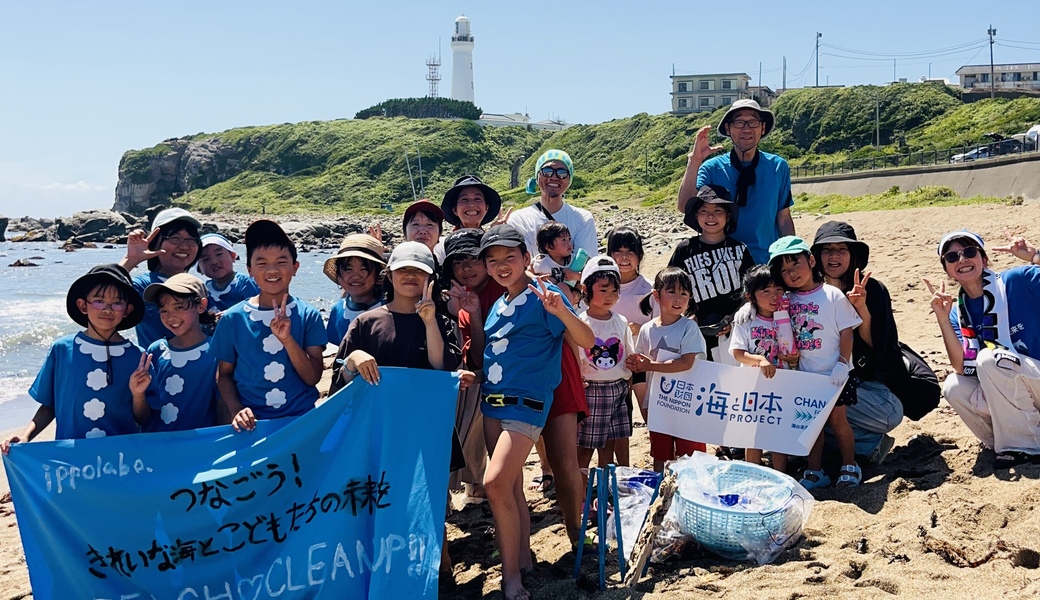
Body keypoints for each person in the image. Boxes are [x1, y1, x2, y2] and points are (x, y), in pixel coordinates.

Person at [329, 240, 471, 584]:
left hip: (426, 432)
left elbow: (441, 370)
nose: (411, 276)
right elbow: (338, 383)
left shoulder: (440, 322)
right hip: (378, 433)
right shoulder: (365, 323)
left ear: (430, 279)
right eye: (403, 269)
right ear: (389, 275)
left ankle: (441, 563)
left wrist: (429, 321)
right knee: (381, 499)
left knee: (430, 498)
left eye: (419, 271)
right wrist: (353, 361)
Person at [477, 224, 594, 600]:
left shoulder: (544, 295)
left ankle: (511, 577)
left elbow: (587, 340)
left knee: (493, 484)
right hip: (492, 404)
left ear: (526, 258)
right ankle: (523, 559)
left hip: (526, 406)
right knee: (510, 488)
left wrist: (562, 311)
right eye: (492, 260)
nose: (501, 265)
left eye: (510, 257)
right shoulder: (497, 304)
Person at [924, 230, 1040, 469]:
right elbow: (961, 366)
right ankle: (1005, 441)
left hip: (1035, 378)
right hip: (1014, 390)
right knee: (954, 387)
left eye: (969, 252)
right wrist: (944, 319)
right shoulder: (959, 312)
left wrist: (1035, 256)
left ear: (983, 259)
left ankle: (1025, 446)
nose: (962, 260)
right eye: (952, 257)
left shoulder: (1017, 280)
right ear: (947, 269)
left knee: (990, 358)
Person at [2, 264, 145, 453]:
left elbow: (143, 418)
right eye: (99, 301)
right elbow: (49, 406)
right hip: (71, 461)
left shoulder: (138, 356)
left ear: (127, 310)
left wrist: (138, 395)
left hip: (120, 460)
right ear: (82, 305)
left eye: (117, 303)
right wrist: (26, 436)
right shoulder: (62, 350)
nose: (108, 309)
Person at [212, 220, 326, 432]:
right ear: (250, 270)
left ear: (295, 267)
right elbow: (224, 374)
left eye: (281, 262)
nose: (272, 270)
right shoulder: (233, 318)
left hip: (299, 422)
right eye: (262, 263)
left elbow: (312, 378)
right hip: (253, 425)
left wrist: (288, 340)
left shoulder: (308, 315)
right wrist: (236, 408)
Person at [769, 236, 862, 489]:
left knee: (838, 421)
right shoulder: (786, 301)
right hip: (805, 375)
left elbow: (847, 331)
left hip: (835, 373)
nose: (791, 273)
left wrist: (842, 363)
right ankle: (814, 470)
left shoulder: (832, 295)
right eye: (784, 271)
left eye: (795, 264)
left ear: (811, 261)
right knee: (811, 424)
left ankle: (850, 464)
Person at [811, 221, 904, 464]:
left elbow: (880, 348)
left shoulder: (872, 288)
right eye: (827, 250)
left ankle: (856, 443)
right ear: (816, 257)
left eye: (842, 249)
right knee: (805, 413)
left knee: (887, 415)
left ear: (853, 255)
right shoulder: (808, 291)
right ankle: (869, 444)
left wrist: (861, 309)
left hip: (871, 391)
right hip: (824, 381)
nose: (834, 256)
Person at [676, 99, 795, 264]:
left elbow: (783, 219)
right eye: (739, 122)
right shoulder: (711, 168)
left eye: (753, 122)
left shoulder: (777, 167)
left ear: (763, 128)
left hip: (766, 263)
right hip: (723, 264)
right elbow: (684, 207)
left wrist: (791, 257)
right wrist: (694, 161)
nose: (746, 129)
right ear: (728, 128)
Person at [443, 228, 506, 498]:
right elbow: (479, 355)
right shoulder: (468, 296)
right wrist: (473, 314)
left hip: (515, 385)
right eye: (458, 262)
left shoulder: (505, 290)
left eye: (472, 258)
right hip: (488, 377)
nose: (466, 268)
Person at [626, 267, 707, 473]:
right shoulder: (647, 329)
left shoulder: (689, 328)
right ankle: (661, 496)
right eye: (671, 292)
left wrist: (649, 365)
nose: (678, 298)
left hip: (688, 404)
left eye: (684, 293)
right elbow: (639, 368)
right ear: (656, 295)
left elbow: (686, 362)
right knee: (660, 456)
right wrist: (644, 403)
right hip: (658, 404)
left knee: (691, 458)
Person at [668, 184, 755, 354]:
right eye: (704, 211)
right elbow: (670, 287)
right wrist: (686, 315)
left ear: (728, 216)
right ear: (696, 215)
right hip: (695, 330)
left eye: (718, 211)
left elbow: (752, 290)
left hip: (736, 331)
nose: (710, 216)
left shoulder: (740, 249)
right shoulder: (684, 249)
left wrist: (734, 318)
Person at [729, 265, 799, 471]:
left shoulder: (788, 315)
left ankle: (782, 475)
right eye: (766, 291)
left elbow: (796, 351)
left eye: (778, 290)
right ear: (750, 296)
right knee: (754, 434)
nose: (774, 296)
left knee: (779, 434)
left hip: (782, 384)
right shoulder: (746, 320)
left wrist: (793, 358)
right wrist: (760, 360)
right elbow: (737, 352)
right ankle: (753, 473)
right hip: (753, 386)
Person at [130, 273, 219, 432]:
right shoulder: (155, 351)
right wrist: (138, 395)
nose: (170, 317)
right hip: (157, 446)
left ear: (201, 305)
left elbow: (223, 408)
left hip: (199, 448)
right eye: (163, 310)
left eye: (178, 307)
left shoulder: (217, 351)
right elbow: (142, 417)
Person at [576, 256, 634, 469]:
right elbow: (575, 360)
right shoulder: (580, 322)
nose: (610, 296)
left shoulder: (621, 321)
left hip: (618, 388)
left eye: (614, 291)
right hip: (592, 391)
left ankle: (603, 493)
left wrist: (632, 372)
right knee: (584, 447)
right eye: (603, 290)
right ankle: (581, 495)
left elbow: (628, 357)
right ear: (585, 288)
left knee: (609, 445)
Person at [120, 207, 206, 348]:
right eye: (175, 238)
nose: (184, 246)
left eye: (191, 240)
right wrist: (130, 260)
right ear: (155, 242)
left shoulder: (197, 286)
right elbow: (95, 301)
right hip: (156, 368)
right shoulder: (142, 286)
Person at [606, 226, 656, 465]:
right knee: (619, 419)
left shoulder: (649, 289)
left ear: (640, 255)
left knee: (649, 411)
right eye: (618, 251)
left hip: (642, 362)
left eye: (630, 251)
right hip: (609, 366)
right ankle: (623, 466)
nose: (624, 257)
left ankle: (660, 457)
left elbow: (659, 324)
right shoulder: (602, 287)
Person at [508, 149, 597, 258]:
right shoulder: (519, 220)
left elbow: (587, 263)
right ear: (537, 177)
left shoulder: (583, 219)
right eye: (547, 171)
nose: (554, 177)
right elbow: (522, 264)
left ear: (569, 180)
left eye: (562, 173)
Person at [323, 234, 386, 346]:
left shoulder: (389, 307)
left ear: (378, 275)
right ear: (338, 274)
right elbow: (333, 350)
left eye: (364, 269)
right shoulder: (338, 310)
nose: (356, 276)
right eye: (348, 269)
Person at [196, 233, 259, 312]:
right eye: (205, 259)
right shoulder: (204, 291)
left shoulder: (246, 284)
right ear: (199, 269)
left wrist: (229, 316)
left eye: (219, 254)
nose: (214, 262)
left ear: (233, 256)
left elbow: (257, 309)